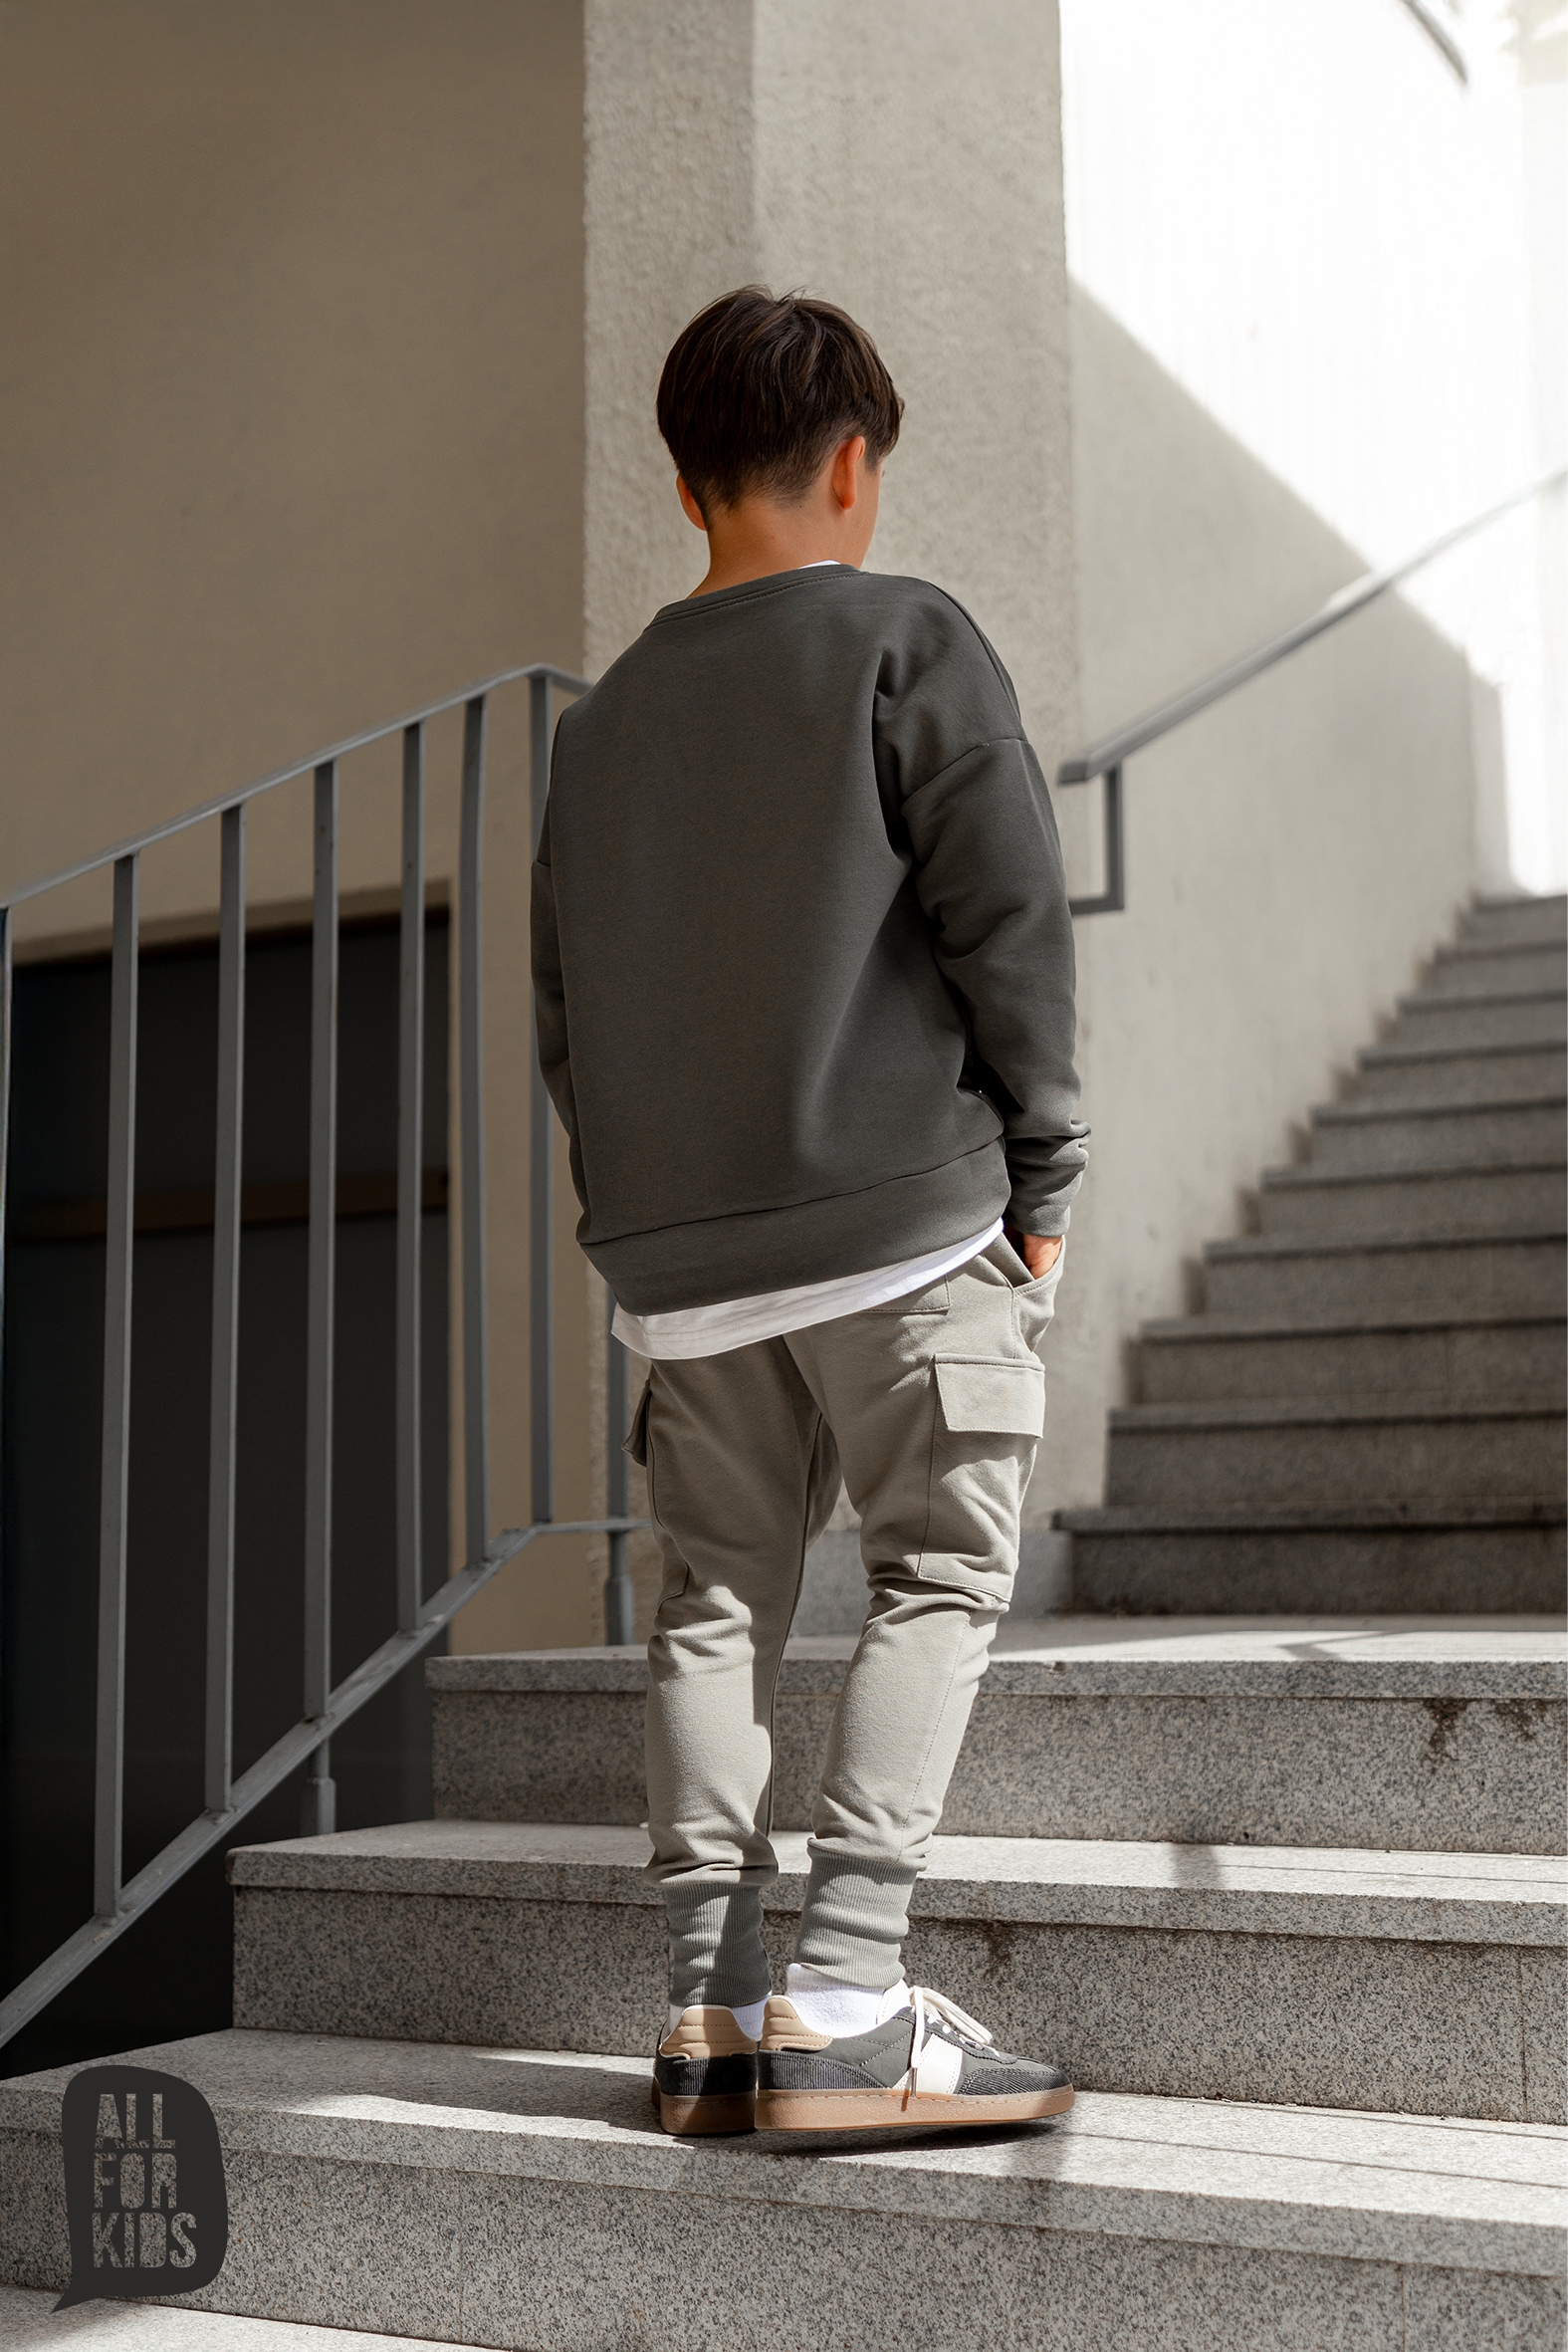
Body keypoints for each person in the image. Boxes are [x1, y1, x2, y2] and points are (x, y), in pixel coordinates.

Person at [532, 286, 1088, 2135]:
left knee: (710, 1604)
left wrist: (653, 1224)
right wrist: (1046, 1166)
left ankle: (708, 2012)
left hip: (687, 1272)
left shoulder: (603, 726)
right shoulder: (902, 637)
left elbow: (565, 1014)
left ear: (685, 479)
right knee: (935, 1571)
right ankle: (850, 1995)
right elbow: (1010, 920)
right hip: (906, 1227)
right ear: (853, 463)